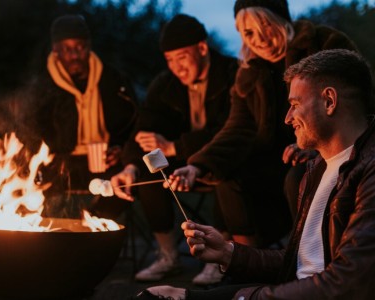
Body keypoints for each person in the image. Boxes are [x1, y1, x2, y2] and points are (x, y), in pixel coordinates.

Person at [134, 48, 375, 300]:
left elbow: (346, 283)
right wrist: (229, 253)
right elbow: (301, 261)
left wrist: (248, 297)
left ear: (329, 101)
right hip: (295, 290)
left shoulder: (369, 171)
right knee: (158, 294)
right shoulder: (317, 169)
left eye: (294, 105)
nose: (287, 118)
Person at [165, 0, 357, 253]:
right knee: (229, 179)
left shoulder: (324, 45)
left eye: (264, 24)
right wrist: (197, 165)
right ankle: (245, 263)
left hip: (329, 153)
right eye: (248, 32)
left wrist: (317, 147)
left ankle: (314, 263)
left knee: (299, 178)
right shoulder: (248, 73)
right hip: (272, 162)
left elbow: (354, 103)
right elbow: (237, 129)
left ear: (281, 20)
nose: (259, 38)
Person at [110, 14, 238, 284]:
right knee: (148, 174)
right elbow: (143, 126)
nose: (176, 67)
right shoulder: (165, 84)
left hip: (221, 156)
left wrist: (173, 146)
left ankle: (219, 256)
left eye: (182, 57)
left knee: (225, 172)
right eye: (169, 59)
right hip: (179, 160)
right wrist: (131, 165)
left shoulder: (232, 73)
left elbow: (231, 131)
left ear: (202, 48)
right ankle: (168, 255)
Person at [27, 15, 137, 218]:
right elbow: (31, 129)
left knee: (126, 182)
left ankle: (96, 225)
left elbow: (133, 122)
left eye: (80, 47)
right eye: (67, 49)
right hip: (61, 162)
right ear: (56, 51)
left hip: (105, 161)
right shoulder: (43, 86)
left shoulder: (113, 80)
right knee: (43, 192)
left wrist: (120, 148)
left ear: (89, 46)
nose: (75, 55)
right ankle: (57, 233)